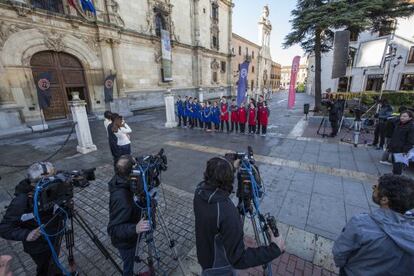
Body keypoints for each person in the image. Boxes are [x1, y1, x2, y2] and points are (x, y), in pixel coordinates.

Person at [194, 157, 285, 275]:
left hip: (205, 257)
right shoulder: (227, 212)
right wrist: (274, 249)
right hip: (220, 268)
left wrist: (228, 167)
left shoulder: (199, 191)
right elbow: (238, 259)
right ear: (229, 180)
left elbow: (217, 174)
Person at [332, 174, 414, 276]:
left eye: (376, 187)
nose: (373, 188)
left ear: (384, 200)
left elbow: (339, 254)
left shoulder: (360, 224)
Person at [0, 162, 64, 276]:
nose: (52, 185)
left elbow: (55, 209)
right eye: (47, 182)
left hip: (54, 236)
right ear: (35, 184)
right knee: (46, 269)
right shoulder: (21, 201)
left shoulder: (52, 190)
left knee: (54, 262)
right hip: (38, 246)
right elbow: (4, 229)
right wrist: (26, 234)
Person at [107, 155, 151, 276]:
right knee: (129, 267)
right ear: (131, 173)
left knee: (135, 261)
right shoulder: (121, 199)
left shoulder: (122, 180)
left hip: (133, 236)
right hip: (126, 243)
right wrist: (135, 228)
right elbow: (113, 230)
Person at [387, 110, 414, 175]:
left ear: (410, 118)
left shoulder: (411, 127)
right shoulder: (398, 123)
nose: (402, 117)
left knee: (398, 167)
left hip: (401, 150)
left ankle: (397, 182)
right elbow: (390, 120)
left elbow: (410, 141)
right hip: (394, 147)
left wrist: (405, 151)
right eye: (401, 116)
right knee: (394, 166)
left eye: (405, 116)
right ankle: (394, 178)